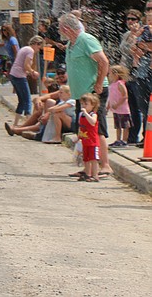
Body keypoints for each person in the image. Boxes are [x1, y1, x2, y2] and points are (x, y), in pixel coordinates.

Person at [60, 12, 111, 175]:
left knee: (98, 130)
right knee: (83, 131)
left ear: (67, 29)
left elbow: (103, 62)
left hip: (92, 92)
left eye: (61, 28)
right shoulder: (70, 44)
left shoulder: (86, 40)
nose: (59, 32)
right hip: (79, 94)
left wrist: (98, 84)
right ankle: (88, 167)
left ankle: (105, 165)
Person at [128, 0, 152, 148]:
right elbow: (133, 49)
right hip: (142, 72)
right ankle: (146, 137)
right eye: (148, 9)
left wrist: (144, 47)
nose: (149, 12)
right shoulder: (142, 31)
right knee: (144, 107)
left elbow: (145, 46)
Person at [8, 36, 41, 126]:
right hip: (19, 76)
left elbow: (22, 65)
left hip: (14, 74)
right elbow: (26, 65)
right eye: (39, 47)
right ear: (36, 44)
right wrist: (33, 72)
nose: (39, 50)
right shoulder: (30, 51)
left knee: (21, 100)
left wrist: (29, 73)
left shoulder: (24, 49)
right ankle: (28, 122)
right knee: (27, 99)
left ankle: (16, 123)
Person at [77, 92, 101, 182]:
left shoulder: (93, 114)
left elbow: (92, 122)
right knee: (86, 159)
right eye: (82, 104)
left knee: (93, 159)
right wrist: (78, 136)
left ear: (92, 105)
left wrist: (86, 114)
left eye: (86, 104)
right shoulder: (81, 115)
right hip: (85, 140)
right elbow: (81, 127)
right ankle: (87, 174)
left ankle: (95, 175)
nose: (83, 106)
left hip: (93, 142)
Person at [106, 66, 130, 148]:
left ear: (116, 74)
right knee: (118, 125)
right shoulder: (112, 84)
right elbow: (110, 97)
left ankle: (124, 140)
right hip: (115, 109)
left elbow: (125, 96)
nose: (109, 75)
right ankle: (118, 139)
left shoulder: (120, 84)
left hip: (123, 109)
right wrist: (108, 106)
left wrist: (117, 104)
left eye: (110, 73)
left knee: (125, 125)